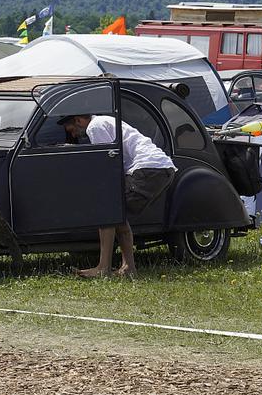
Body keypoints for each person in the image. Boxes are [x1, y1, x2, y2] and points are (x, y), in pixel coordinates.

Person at [60, 114, 176, 278]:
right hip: (160, 168)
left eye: (71, 129)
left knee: (108, 210)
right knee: (118, 214)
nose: (72, 135)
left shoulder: (95, 127)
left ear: (78, 120)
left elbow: (109, 162)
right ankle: (128, 268)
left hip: (149, 168)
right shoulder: (105, 121)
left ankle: (103, 268)